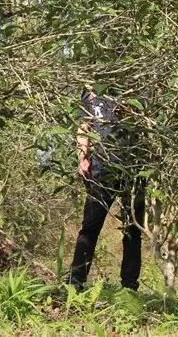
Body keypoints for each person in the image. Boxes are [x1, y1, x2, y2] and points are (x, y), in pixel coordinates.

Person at [68, 87, 146, 291]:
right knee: (90, 227)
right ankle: (75, 283)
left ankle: (129, 287)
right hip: (102, 169)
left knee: (132, 230)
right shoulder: (89, 91)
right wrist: (82, 158)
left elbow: (142, 120)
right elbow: (84, 126)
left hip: (134, 169)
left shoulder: (136, 84)